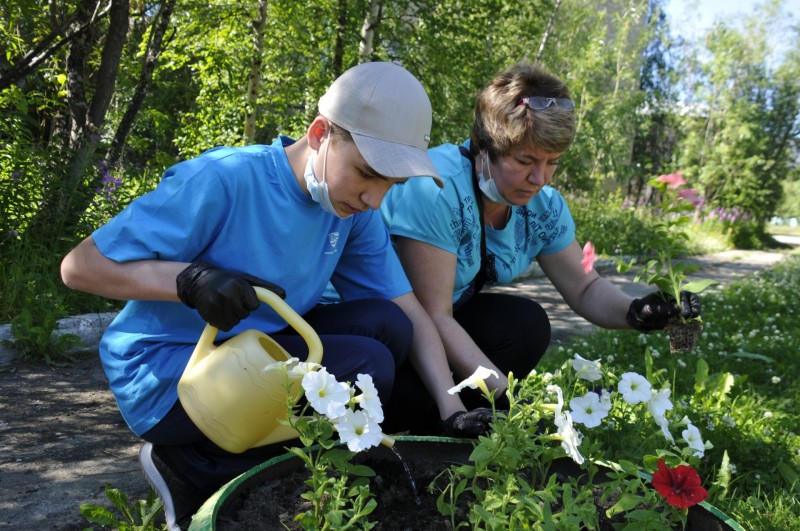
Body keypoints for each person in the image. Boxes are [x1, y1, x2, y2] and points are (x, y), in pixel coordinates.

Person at [60, 62, 493, 531]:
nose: (375, 199)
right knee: (365, 364)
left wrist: (452, 409)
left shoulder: (350, 212)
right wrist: (191, 280)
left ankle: (277, 466)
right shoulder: (225, 179)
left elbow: (406, 308)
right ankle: (193, 468)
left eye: (392, 184)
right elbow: (79, 267)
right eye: (367, 173)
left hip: (249, 357)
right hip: (168, 374)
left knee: (388, 326)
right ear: (320, 133)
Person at [379, 62, 701, 423]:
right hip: (386, 329)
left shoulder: (543, 207)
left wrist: (637, 312)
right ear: (484, 147)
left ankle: (465, 421)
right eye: (525, 160)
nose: (539, 178)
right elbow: (433, 317)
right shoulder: (437, 189)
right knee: (409, 401)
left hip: (439, 324)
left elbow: (584, 286)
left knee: (525, 324)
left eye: (553, 162)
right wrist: (515, 399)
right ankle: (438, 417)